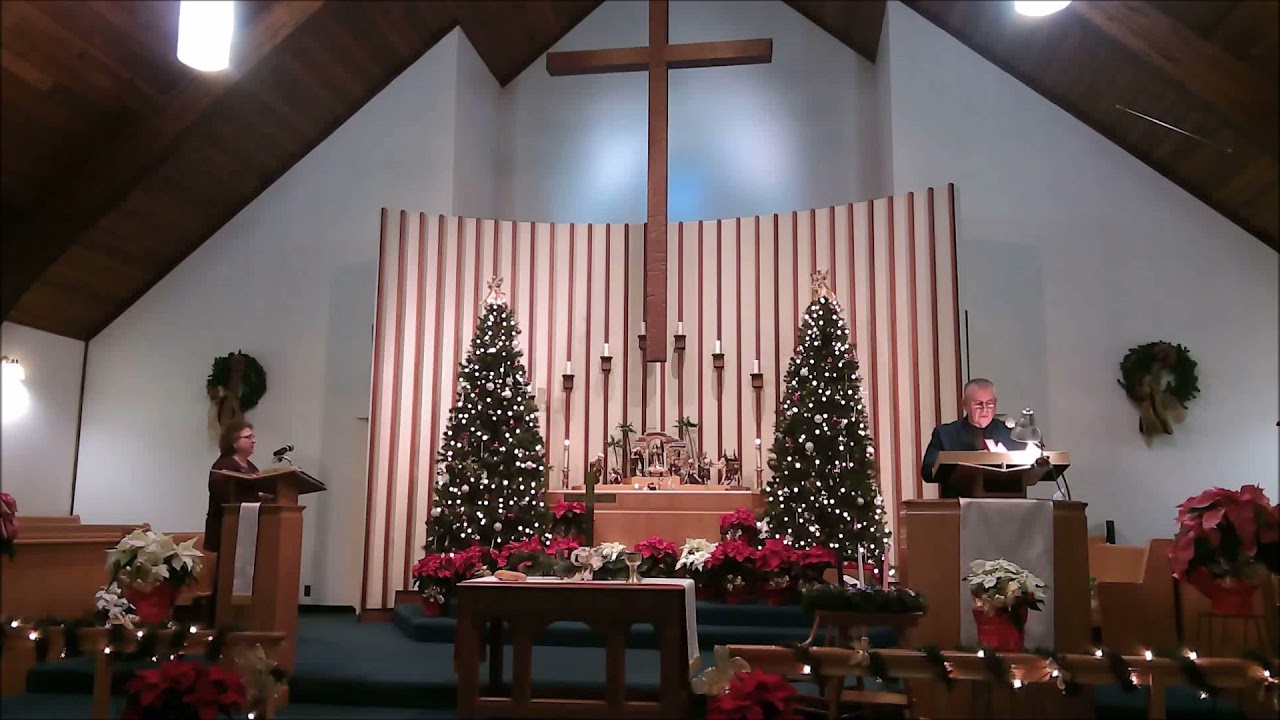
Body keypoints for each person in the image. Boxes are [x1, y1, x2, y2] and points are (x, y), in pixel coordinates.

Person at [920, 378, 1026, 497]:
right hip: (961, 505)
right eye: (978, 404)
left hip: (1008, 505)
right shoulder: (945, 434)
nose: (985, 409)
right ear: (964, 405)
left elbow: (1031, 467)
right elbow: (928, 472)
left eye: (990, 403)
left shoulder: (1011, 434)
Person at [204, 420, 261, 556]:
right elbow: (223, 497)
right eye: (248, 437)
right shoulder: (223, 466)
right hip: (227, 528)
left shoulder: (251, 467)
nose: (253, 441)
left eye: (253, 437)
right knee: (227, 573)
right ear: (234, 442)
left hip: (248, 526)